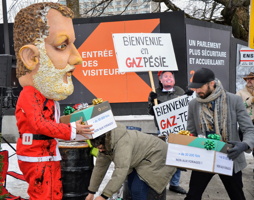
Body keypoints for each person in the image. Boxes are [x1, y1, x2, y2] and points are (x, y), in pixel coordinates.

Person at [13, 3, 94, 200]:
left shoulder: (46, 97)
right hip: (36, 157)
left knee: (54, 194)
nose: (77, 59)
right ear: (31, 57)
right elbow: (39, 124)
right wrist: (73, 130)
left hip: (48, 155)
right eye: (62, 45)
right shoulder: (29, 94)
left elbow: (51, 125)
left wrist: (76, 123)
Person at [185, 67, 254, 200]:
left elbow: (249, 129)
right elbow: (191, 133)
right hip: (204, 157)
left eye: (200, 87)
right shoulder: (194, 104)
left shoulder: (234, 100)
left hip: (229, 156)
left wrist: (244, 145)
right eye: (195, 88)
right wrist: (183, 155)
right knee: (192, 196)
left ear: (211, 83)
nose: (197, 91)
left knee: (237, 196)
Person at [85, 123, 176, 200]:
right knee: (131, 186)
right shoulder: (105, 144)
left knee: (138, 190)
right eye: (97, 148)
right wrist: (91, 192)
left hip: (157, 156)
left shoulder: (122, 143)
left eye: (100, 148)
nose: (99, 151)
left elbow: (120, 171)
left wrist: (104, 196)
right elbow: (99, 168)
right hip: (140, 159)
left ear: (105, 142)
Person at [148, 71, 187, 195]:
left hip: (178, 130)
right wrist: (153, 103)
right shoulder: (155, 93)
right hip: (162, 130)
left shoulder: (180, 91)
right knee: (162, 157)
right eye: (166, 76)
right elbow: (151, 112)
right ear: (160, 80)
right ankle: (160, 183)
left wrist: (189, 96)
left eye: (171, 76)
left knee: (177, 156)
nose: (169, 78)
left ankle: (174, 184)